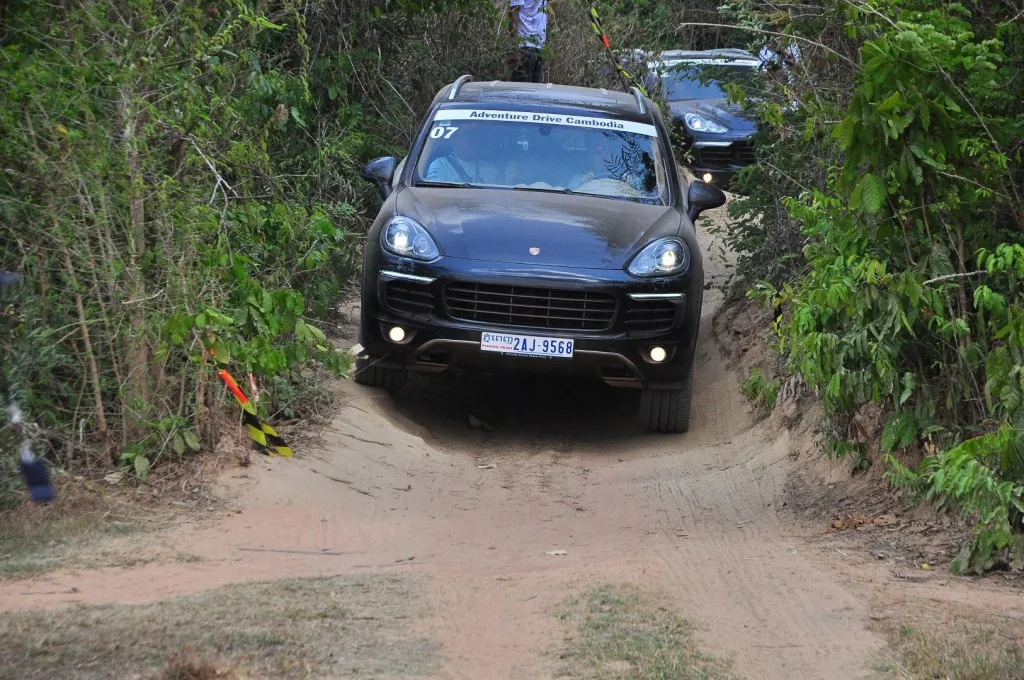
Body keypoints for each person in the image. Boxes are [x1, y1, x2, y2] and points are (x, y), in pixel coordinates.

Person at [509, 0, 548, 83]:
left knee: (535, 87)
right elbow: (513, 14)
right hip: (525, 45)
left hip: (539, 46)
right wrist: (514, 46)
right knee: (524, 86)